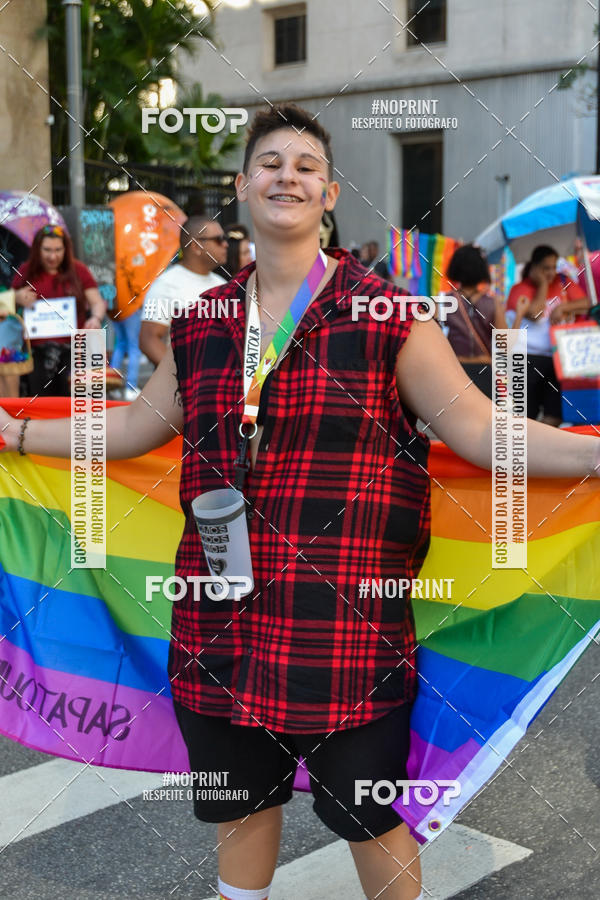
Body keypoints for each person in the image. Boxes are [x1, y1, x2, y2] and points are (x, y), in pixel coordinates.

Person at [1, 105, 599, 900]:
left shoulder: (389, 314)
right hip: (219, 615)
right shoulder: (203, 319)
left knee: (367, 812)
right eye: (271, 163)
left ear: (328, 193)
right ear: (244, 186)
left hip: (347, 621)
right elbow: (137, 427)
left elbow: (485, 432)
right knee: (240, 808)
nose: (288, 175)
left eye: (307, 166)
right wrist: (14, 437)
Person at [11, 225, 106, 397]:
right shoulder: (25, 271)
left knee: (74, 403)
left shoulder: (79, 270)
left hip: (74, 351)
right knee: (41, 404)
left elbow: (97, 302)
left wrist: (96, 318)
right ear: (37, 249)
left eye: (58, 250)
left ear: (66, 249)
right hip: (35, 354)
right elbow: (7, 305)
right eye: (47, 250)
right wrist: (15, 297)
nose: (52, 256)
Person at [506, 244, 590, 426]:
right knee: (524, 415)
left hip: (558, 359)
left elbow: (588, 302)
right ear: (534, 268)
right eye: (546, 268)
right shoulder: (520, 289)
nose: (551, 272)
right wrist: (543, 284)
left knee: (556, 414)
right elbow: (536, 313)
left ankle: (535, 445)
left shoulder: (563, 282)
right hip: (527, 359)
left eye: (553, 267)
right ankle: (525, 448)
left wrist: (564, 307)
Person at [139, 216, 227, 366]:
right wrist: (181, 379)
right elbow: (148, 340)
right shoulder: (166, 285)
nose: (225, 244)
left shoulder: (223, 285)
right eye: (218, 239)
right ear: (196, 246)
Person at [443, 243, 507, 398]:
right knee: (486, 420)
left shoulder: (444, 301)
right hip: (485, 370)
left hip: (455, 371)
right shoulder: (493, 303)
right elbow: (504, 344)